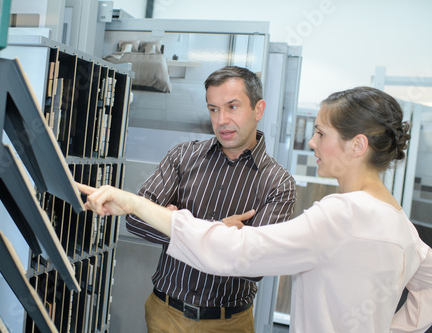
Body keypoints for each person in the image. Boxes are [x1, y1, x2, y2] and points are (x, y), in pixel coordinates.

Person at [77, 86, 432, 333]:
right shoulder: (402, 226)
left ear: (357, 145)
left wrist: (134, 202)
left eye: (321, 133)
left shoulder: (343, 214)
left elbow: (239, 252)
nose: (311, 142)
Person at [125, 66, 297, 331]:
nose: (221, 120)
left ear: (258, 109)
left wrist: (173, 221)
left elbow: (256, 264)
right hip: (165, 314)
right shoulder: (182, 156)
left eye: (232, 107)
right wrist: (221, 234)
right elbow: (136, 217)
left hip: (228, 323)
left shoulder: (278, 183)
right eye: (213, 109)